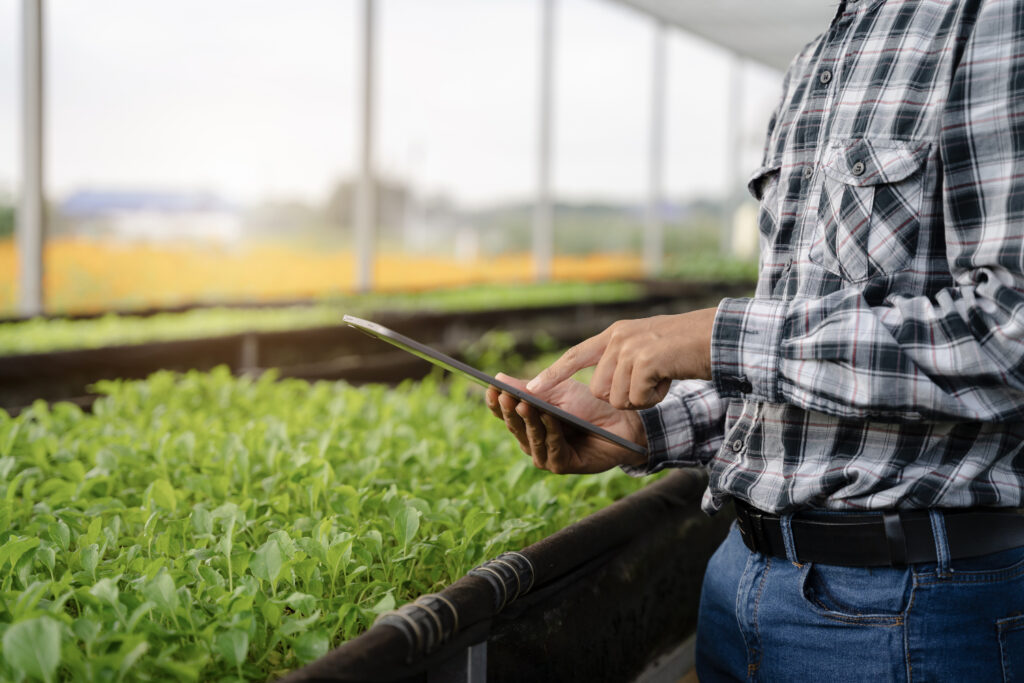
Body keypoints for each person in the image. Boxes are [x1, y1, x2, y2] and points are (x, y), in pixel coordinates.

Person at [486, 1, 1024, 680]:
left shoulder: (989, 22)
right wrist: (645, 424)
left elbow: (1009, 334)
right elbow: (801, 355)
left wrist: (717, 336)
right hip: (741, 581)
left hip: (908, 609)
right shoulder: (821, 55)